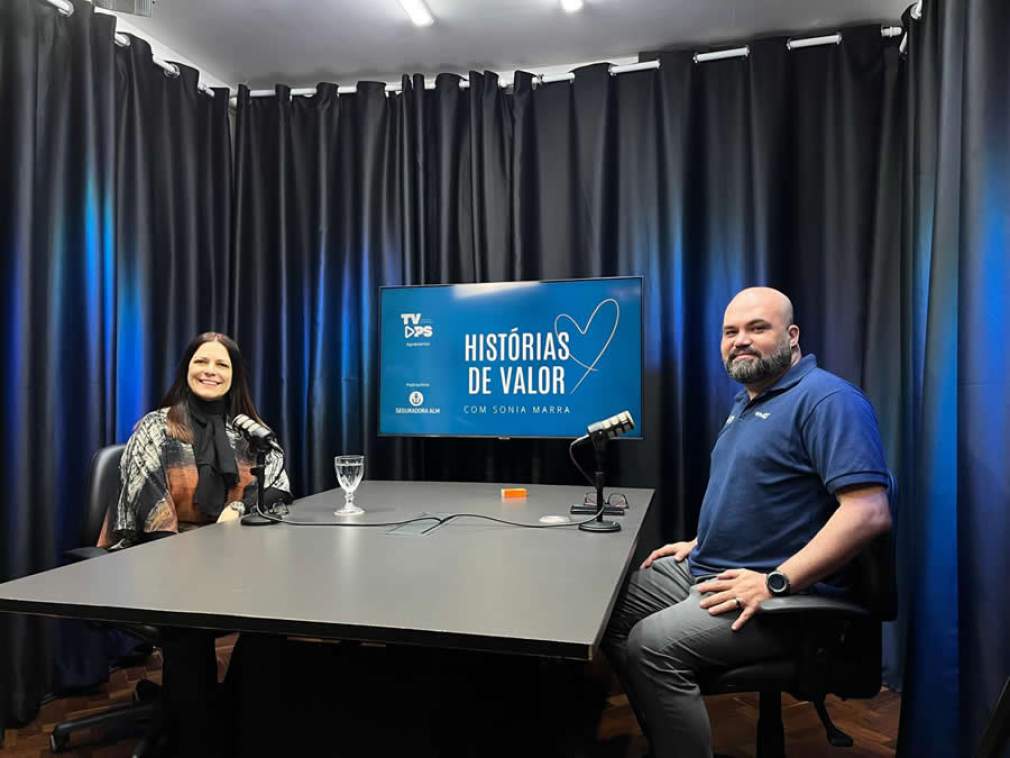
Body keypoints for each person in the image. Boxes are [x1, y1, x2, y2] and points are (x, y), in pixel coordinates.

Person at [603, 287, 892, 758]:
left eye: (757, 328)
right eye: (730, 331)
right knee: (608, 611)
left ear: (792, 336)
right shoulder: (749, 401)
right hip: (711, 567)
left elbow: (868, 512)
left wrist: (775, 582)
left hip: (781, 594)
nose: (740, 340)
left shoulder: (828, 400)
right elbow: (767, 495)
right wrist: (700, 540)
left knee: (650, 645)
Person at [99, 331, 291, 547]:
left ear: (234, 376)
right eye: (201, 361)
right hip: (163, 550)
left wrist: (239, 508)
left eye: (222, 365)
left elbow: (279, 487)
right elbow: (153, 517)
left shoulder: (248, 430)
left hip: (237, 545)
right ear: (187, 369)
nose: (210, 370)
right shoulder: (155, 428)